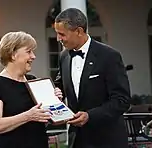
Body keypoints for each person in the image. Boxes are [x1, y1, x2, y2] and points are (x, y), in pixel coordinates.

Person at [54, 8, 131, 148]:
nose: (58, 39)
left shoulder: (109, 56)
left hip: (106, 140)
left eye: (62, 34)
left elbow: (122, 100)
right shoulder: (64, 56)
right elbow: (60, 84)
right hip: (76, 140)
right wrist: (56, 92)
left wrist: (90, 116)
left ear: (78, 31)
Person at [0, 31, 63, 148]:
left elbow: (45, 120)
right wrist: (28, 116)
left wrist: (54, 102)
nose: (33, 56)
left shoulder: (33, 81)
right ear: (13, 54)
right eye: (28, 51)